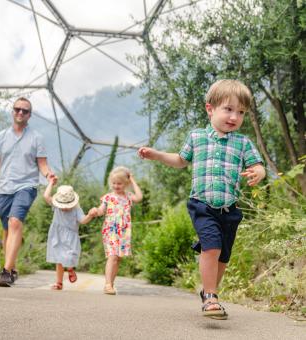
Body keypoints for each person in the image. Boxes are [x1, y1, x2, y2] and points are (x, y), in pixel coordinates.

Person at [138, 79, 266, 319]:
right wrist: (156, 155)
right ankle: (210, 297)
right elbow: (180, 160)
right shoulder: (197, 137)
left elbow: (258, 165)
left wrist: (258, 172)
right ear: (210, 109)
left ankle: (210, 290)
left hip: (230, 209)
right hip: (202, 205)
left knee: (223, 256)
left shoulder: (243, 142)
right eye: (228, 109)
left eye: (241, 112)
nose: (234, 117)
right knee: (211, 247)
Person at [0, 97, 56, 287]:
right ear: (12, 111)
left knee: (15, 222)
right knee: (8, 229)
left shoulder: (36, 137)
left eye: (25, 111)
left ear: (30, 115)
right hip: (4, 188)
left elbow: (42, 164)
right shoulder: (1, 137)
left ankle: (5, 272)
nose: (20, 113)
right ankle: (12, 267)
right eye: (17, 109)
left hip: (26, 186)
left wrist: (48, 175)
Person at [93, 166, 143, 295]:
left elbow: (139, 197)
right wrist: (95, 212)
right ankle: (107, 284)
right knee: (112, 256)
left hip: (124, 231)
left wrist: (132, 180)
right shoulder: (108, 197)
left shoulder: (128, 196)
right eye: (114, 183)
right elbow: (101, 210)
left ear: (125, 184)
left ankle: (111, 283)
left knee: (118, 258)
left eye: (119, 183)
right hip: (111, 229)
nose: (116, 186)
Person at [43, 181, 97, 290]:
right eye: (62, 205)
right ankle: (59, 283)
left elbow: (82, 220)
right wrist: (51, 183)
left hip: (70, 236)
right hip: (57, 234)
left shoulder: (76, 210)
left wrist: (90, 215)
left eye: (66, 205)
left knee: (69, 256)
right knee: (59, 259)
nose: (64, 208)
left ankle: (70, 268)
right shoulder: (56, 206)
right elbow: (46, 196)